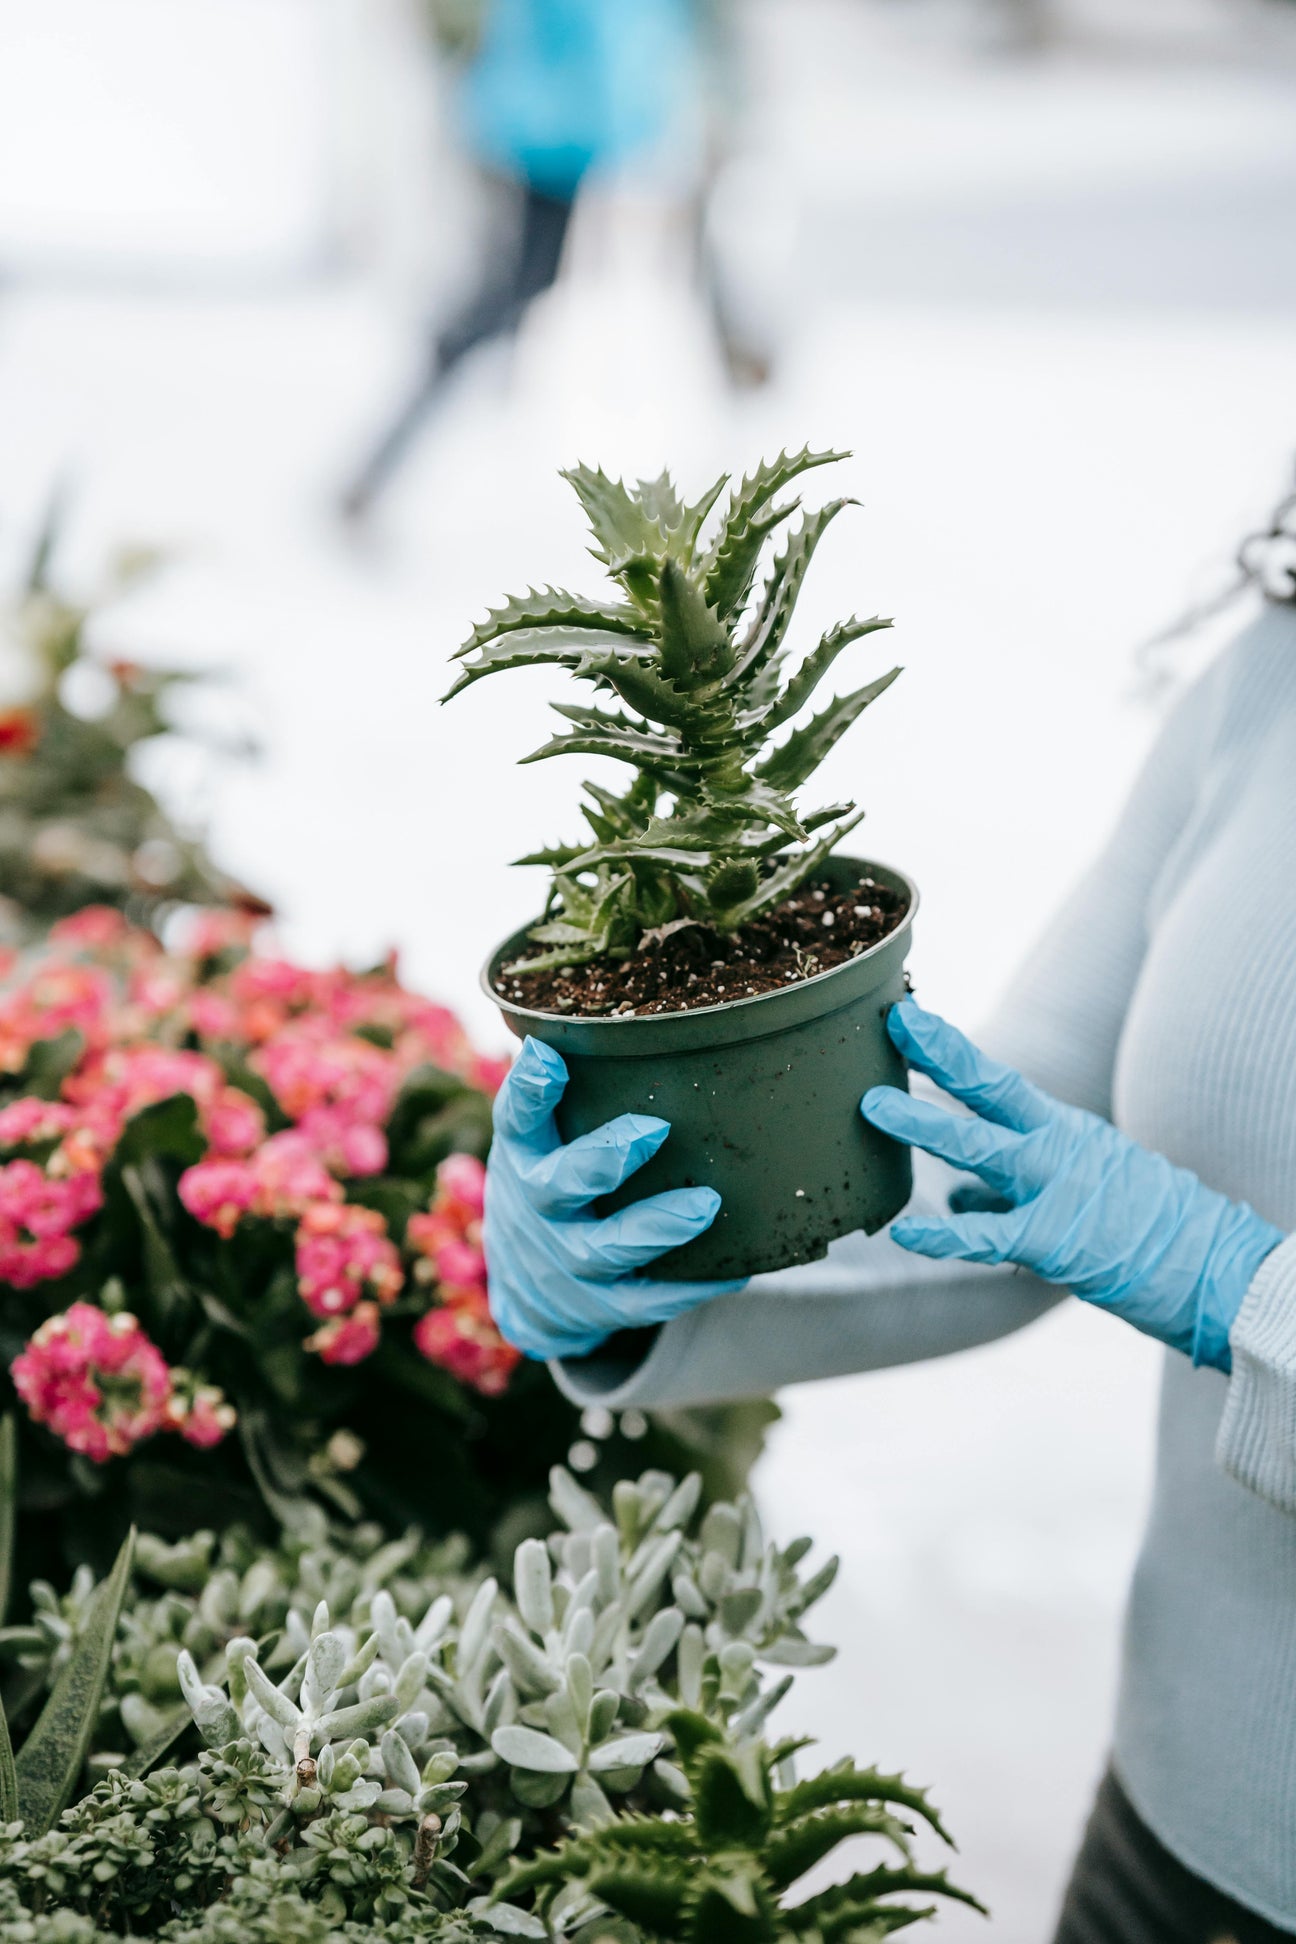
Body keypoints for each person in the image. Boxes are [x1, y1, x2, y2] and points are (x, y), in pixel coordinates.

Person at [481, 506, 1296, 1942]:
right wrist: (644, 1261)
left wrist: (1248, 1293)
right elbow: (985, 1150)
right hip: (1176, 1839)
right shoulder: (1269, 669)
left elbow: (1133, 1222)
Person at [340, 0, 703, 520]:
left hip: (557, 134)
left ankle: (458, 366)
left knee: (521, 288)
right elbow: (596, 43)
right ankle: (432, 381)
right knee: (507, 292)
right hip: (542, 137)